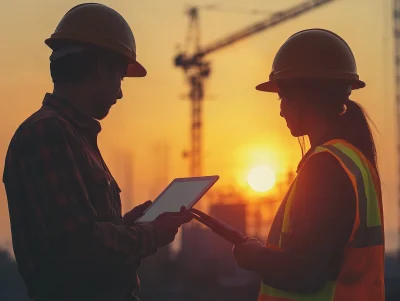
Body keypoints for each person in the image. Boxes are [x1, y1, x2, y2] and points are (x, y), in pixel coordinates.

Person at [3, 3, 191, 301]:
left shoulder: (72, 135)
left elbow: (79, 234)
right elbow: (81, 249)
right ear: (102, 68)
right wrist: (151, 234)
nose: (120, 93)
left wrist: (127, 225)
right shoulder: (48, 134)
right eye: (120, 78)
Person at [232, 29, 384, 301]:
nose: (280, 110)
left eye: (283, 97)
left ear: (305, 95)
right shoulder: (354, 161)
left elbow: (307, 273)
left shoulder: (325, 168)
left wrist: (256, 257)